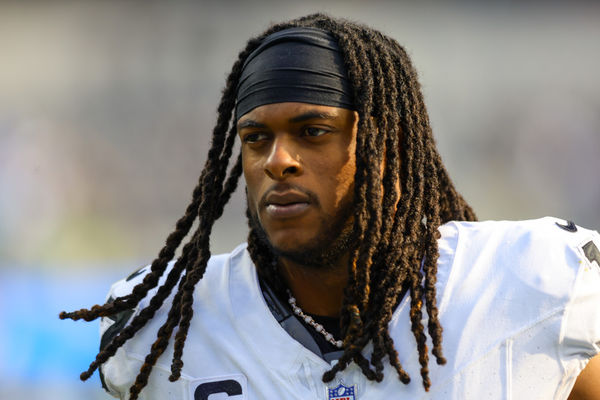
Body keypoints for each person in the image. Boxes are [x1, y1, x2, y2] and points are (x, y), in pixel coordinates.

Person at [60, 14, 600, 400]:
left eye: (312, 131)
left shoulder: (528, 282)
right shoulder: (167, 325)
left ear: (385, 146)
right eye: (255, 138)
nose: (278, 161)